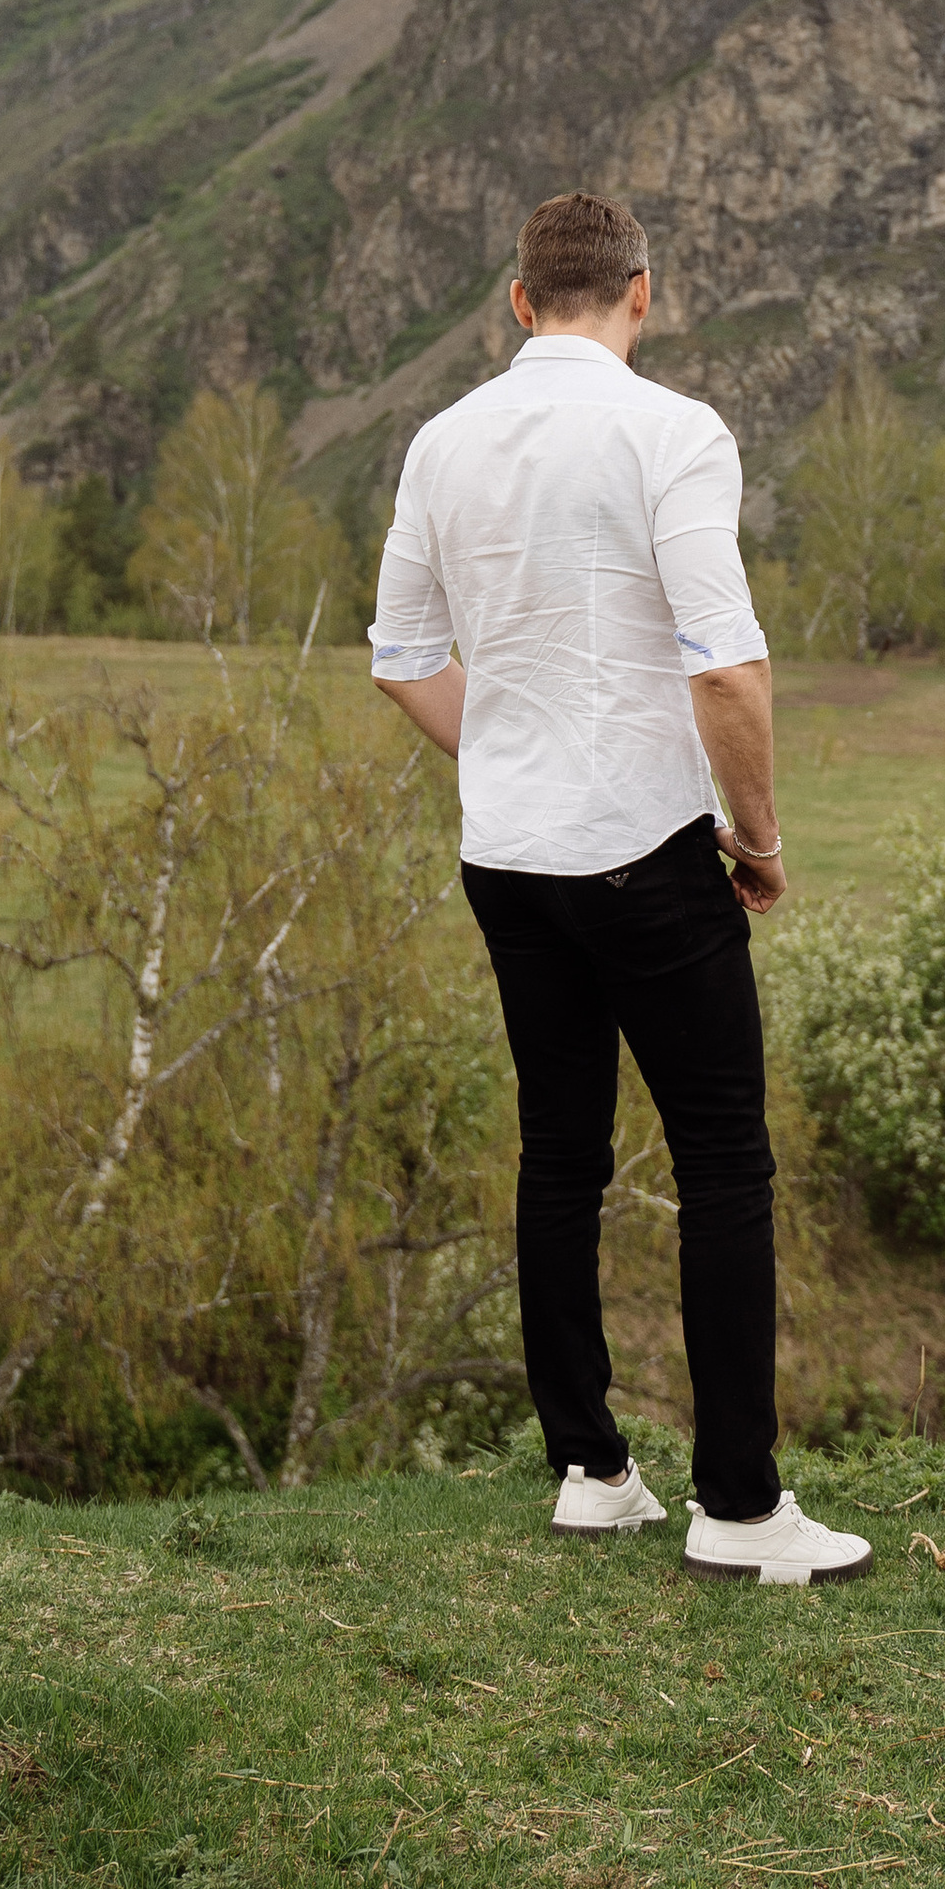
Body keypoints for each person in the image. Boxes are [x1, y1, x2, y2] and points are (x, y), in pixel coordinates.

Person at [368, 189, 870, 1590]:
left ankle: (591, 1473)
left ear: (521, 302)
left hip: (506, 858)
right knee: (721, 1163)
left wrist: (518, 744)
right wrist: (755, 838)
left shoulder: (441, 440)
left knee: (559, 1155)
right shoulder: (674, 432)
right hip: (648, 847)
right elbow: (724, 663)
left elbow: (403, 655)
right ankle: (740, 1506)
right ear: (641, 295)